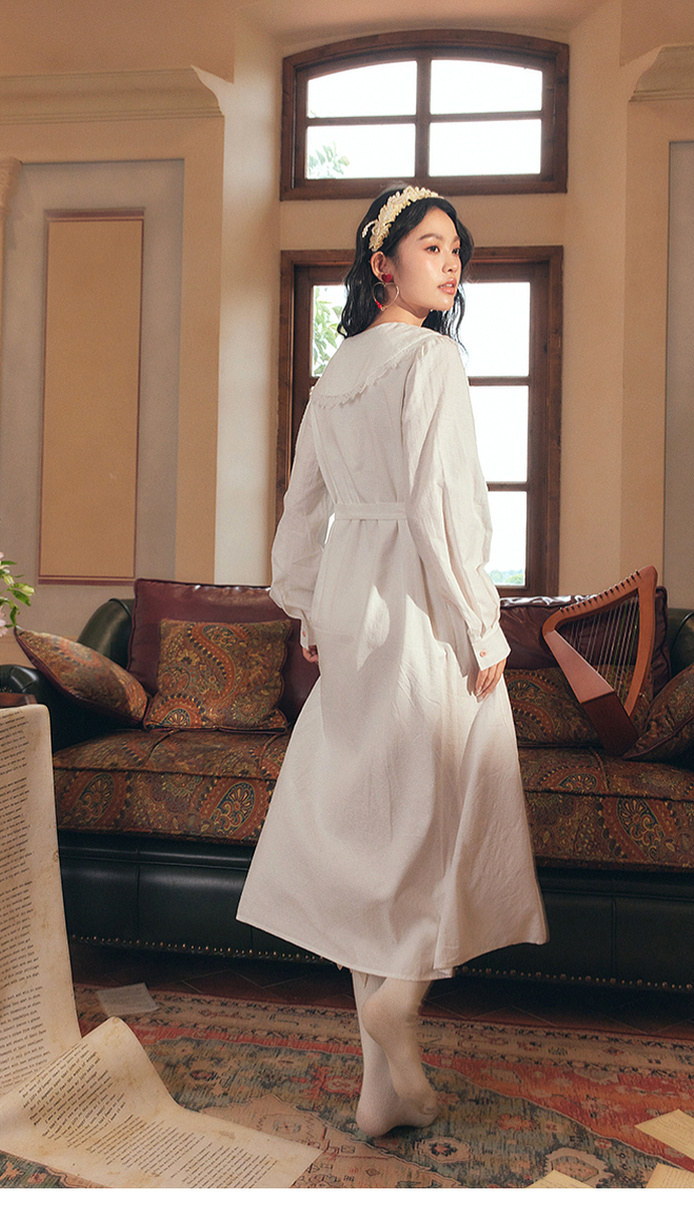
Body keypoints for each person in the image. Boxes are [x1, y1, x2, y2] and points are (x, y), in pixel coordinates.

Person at [237, 185, 547, 1137]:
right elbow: (440, 505)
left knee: (373, 823)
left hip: (351, 607)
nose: (451, 265)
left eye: (457, 252)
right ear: (383, 263)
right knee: (446, 803)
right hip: (418, 605)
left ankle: (382, 1088)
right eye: (433, 247)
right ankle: (398, 1004)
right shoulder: (432, 357)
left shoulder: (336, 372)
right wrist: (481, 624)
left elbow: (302, 505)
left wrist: (306, 605)